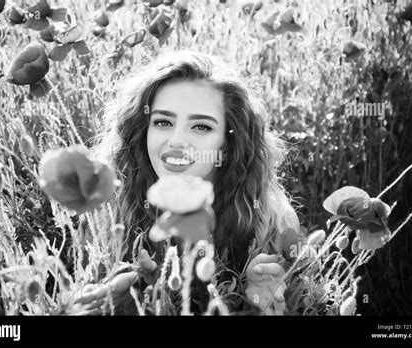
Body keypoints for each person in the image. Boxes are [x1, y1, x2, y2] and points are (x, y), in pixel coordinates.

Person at [75, 50, 303, 315]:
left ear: (227, 145)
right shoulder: (110, 209)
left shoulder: (271, 221)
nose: (177, 140)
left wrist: (257, 305)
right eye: (162, 122)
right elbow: (81, 297)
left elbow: (310, 306)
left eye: (201, 127)